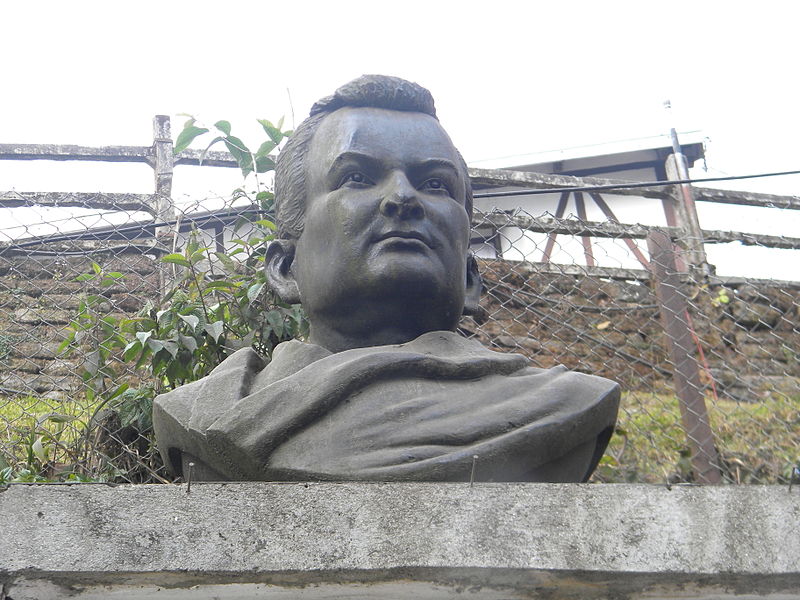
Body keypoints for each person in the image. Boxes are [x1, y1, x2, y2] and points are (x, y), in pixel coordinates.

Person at [153, 75, 620, 482]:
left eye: (435, 184)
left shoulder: (560, 406)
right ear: (284, 269)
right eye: (356, 177)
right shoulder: (207, 415)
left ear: (471, 277)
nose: (402, 197)